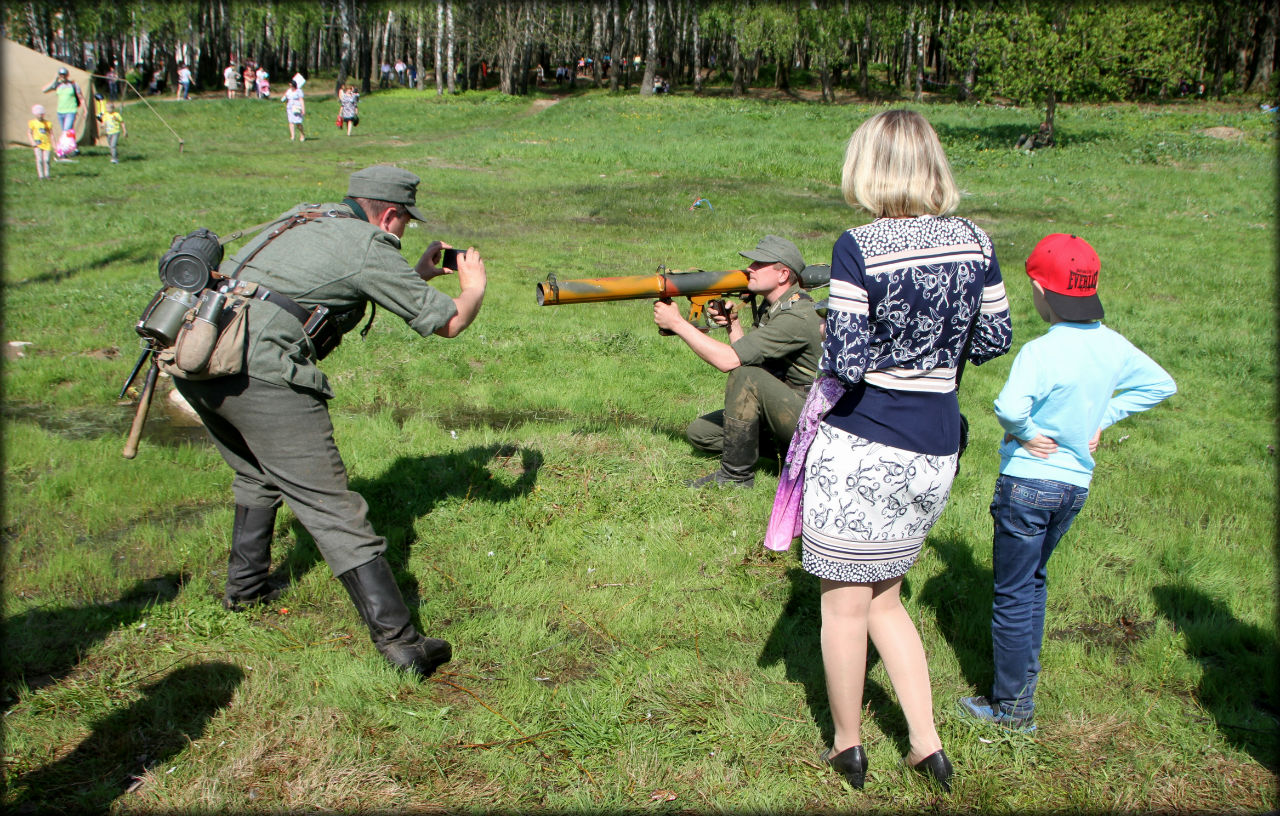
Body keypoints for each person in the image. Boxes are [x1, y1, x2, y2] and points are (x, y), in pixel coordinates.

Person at [171, 165, 487, 678]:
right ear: (389, 214)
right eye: (405, 221)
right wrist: (473, 286)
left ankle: (245, 592)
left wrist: (416, 275)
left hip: (198, 358)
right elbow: (448, 321)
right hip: (259, 372)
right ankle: (403, 645)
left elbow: (325, 282)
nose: (404, 231)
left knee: (255, 472)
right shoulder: (367, 243)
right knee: (332, 508)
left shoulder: (305, 217)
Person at [784, 109, 1012, 792]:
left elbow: (846, 360)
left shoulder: (862, 244)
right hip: (935, 446)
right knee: (887, 596)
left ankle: (848, 746)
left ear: (870, 168)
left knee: (843, 605)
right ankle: (926, 744)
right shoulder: (976, 240)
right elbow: (995, 338)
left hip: (866, 444)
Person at [958, 234, 1175, 731]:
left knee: (1012, 594)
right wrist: (1104, 416)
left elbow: (1009, 408)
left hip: (1028, 486)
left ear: (1037, 288)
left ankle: (1011, 711)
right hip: (1073, 489)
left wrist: (1028, 434)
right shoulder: (1114, 345)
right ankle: (1021, 691)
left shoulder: (1042, 350)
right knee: (1033, 583)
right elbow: (1162, 384)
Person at [653, 236, 823, 489]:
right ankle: (784, 453)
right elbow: (752, 356)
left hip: (811, 421)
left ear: (783, 274)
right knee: (702, 433)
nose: (749, 269)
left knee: (746, 377)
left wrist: (678, 324)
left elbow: (729, 362)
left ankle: (736, 477)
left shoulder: (797, 315)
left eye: (758, 264)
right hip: (786, 408)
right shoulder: (775, 306)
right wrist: (732, 324)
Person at [43, 67, 83, 145]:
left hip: (71, 111)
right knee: (68, 131)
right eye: (61, 75)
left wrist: (85, 110)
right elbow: (44, 90)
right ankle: (73, 147)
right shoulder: (58, 85)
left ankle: (62, 148)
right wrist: (54, 79)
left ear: (67, 75)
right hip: (60, 112)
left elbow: (81, 97)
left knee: (66, 130)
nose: (63, 76)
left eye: (64, 75)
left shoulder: (73, 85)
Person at [28, 104, 52, 180]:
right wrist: (32, 142)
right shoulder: (32, 123)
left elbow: (51, 134)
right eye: (39, 114)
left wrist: (54, 144)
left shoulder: (48, 123)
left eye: (42, 114)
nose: (40, 115)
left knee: (46, 160)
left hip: (47, 144)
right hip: (37, 144)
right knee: (39, 160)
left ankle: (47, 174)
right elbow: (29, 132)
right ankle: (41, 176)